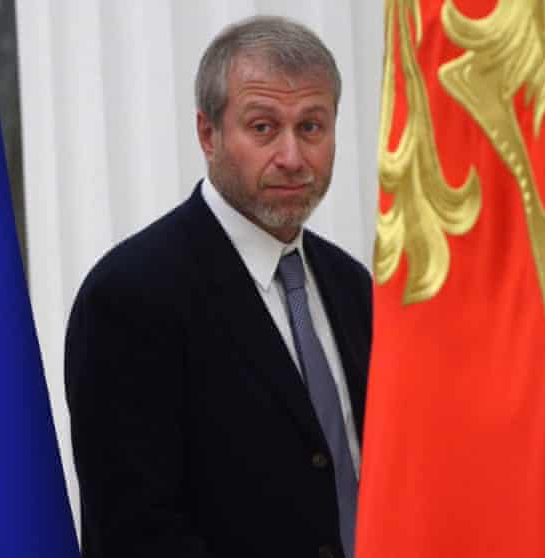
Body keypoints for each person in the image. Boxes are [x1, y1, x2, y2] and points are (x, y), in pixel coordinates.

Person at [65, 15, 371, 558]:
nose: (292, 157)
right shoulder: (129, 296)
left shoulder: (354, 288)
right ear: (208, 135)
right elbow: (136, 532)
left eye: (311, 127)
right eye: (263, 128)